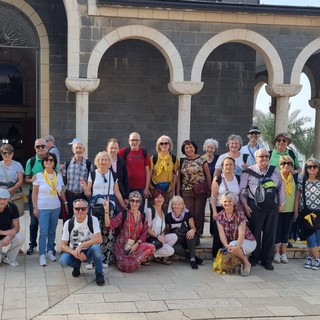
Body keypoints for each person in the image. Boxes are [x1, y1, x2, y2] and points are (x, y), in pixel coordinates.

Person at [240, 149, 285, 271]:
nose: (265, 158)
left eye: (266, 156)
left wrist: (282, 203)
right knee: (255, 233)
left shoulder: (275, 170)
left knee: (270, 233)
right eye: (262, 156)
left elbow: (281, 187)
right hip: (255, 206)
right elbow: (242, 190)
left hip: (272, 207)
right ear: (255, 158)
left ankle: (267, 260)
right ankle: (254, 257)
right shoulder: (248, 172)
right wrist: (245, 205)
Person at [82, 151, 127, 268]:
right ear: (98, 161)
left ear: (109, 162)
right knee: (93, 233)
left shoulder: (113, 175)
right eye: (101, 160)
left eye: (106, 160)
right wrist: (84, 188)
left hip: (109, 207)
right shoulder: (93, 174)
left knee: (108, 232)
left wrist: (123, 205)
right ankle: (91, 260)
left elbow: (116, 192)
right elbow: (88, 193)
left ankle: (105, 259)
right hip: (95, 207)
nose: (104, 162)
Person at [104, 191, 155, 273]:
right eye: (132, 200)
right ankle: (131, 260)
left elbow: (144, 234)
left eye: (137, 201)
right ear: (129, 201)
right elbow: (109, 225)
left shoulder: (143, 216)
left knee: (151, 247)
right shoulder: (124, 214)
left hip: (135, 245)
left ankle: (133, 259)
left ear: (140, 203)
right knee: (127, 267)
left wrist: (136, 244)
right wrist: (106, 211)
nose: (134, 203)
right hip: (121, 246)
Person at [32, 152, 68, 266]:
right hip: (43, 208)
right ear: (43, 163)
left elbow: (61, 191)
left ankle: (49, 251)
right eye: (46, 160)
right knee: (43, 231)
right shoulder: (39, 176)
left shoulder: (58, 175)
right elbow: (34, 193)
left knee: (52, 231)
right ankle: (42, 254)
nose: (49, 162)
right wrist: (35, 207)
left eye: (51, 160)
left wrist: (65, 202)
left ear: (54, 162)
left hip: (55, 207)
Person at [59, 199, 105, 286]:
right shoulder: (69, 223)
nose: (80, 211)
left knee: (96, 247)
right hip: (75, 252)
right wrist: (75, 252)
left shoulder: (93, 220)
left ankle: (99, 273)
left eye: (83, 209)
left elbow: (99, 239)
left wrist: (82, 245)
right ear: (73, 209)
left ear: (87, 209)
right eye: (77, 208)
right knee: (63, 261)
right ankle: (76, 266)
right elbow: (62, 245)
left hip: (89, 251)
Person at [216, 192, 256, 276]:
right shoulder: (219, 216)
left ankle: (246, 264)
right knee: (231, 245)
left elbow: (241, 234)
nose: (227, 203)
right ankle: (242, 262)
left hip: (248, 241)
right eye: (225, 201)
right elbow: (221, 234)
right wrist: (226, 245)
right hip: (233, 243)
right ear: (222, 203)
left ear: (234, 202)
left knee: (233, 245)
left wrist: (237, 247)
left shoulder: (240, 215)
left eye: (230, 201)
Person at [177, 140, 211, 238]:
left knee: (199, 213)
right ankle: (190, 232)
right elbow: (179, 177)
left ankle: (198, 233)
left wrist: (209, 189)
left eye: (190, 147)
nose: (189, 149)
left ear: (194, 147)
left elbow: (208, 175)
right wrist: (178, 191)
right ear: (184, 150)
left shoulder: (202, 159)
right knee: (189, 212)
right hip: (186, 191)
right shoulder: (182, 161)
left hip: (200, 191)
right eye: (186, 148)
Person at [211, 157, 240, 260]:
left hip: (234, 210)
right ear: (222, 166)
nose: (228, 166)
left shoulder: (238, 178)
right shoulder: (218, 178)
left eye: (230, 164)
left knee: (233, 233)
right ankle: (216, 256)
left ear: (234, 166)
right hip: (220, 209)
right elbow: (213, 197)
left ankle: (230, 255)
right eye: (226, 164)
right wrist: (214, 212)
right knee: (219, 234)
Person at [294, 158, 320, 270]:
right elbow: (297, 197)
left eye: (315, 166)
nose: (312, 168)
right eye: (309, 166)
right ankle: (317, 258)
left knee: (318, 237)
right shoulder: (301, 180)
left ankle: (311, 258)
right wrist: (296, 212)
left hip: (319, 213)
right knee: (310, 236)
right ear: (306, 168)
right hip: (306, 213)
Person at [165, 196, 203, 269]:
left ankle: (192, 260)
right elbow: (168, 231)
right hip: (179, 241)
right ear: (172, 205)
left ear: (182, 205)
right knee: (174, 248)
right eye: (175, 204)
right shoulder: (168, 216)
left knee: (189, 236)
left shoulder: (187, 214)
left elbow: (193, 228)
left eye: (179, 204)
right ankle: (192, 256)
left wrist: (192, 230)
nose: (177, 206)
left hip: (190, 239)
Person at [25, 138, 48, 255]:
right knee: (34, 221)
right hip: (34, 195)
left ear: (46, 147)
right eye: (38, 146)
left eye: (42, 146)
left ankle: (50, 246)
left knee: (48, 222)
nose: (40, 148)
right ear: (34, 148)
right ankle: (32, 245)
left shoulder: (51, 159)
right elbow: (26, 179)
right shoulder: (31, 161)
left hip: (48, 196)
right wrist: (31, 179)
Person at [118, 132, 151, 210]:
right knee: (128, 210)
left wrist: (146, 188)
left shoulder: (144, 153)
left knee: (140, 211)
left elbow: (148, 172)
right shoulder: (124, 152)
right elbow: (112, 156)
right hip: (127, 188)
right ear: (129, 141)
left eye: (137, 140)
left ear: (140, 141)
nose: (135, 142)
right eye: (132, 140)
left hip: (141, 188)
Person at [61, 140, 93, 220]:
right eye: (76, 148)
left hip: (83, 197)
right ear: (73, 150)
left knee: (83, 220)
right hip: (69, 196)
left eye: (80, 148)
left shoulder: (89, 165)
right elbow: (63, 181)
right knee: (67, 220)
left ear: (83, 150)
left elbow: (91, 182)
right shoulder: (67, 164)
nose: (78, 150)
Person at [274, 155, 297, 264]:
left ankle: (283, 253)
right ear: (280, 165)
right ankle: (276, 253)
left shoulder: (295, 177)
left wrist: (296, 210)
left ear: (292, 165)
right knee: (277, 231)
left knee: (286, 232)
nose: (286, 165)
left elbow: (297, 195)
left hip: (290, 209)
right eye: (283, 163)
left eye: (289, 163)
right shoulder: (276, 176)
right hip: (278, 209)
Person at [146, 189, 178, 265]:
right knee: (171, 251)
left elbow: (162, 229)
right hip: (149, 239)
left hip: (158, 239)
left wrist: (163, 235)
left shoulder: (163, 213)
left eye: (161, 197)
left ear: (164, 199)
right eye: (157, 197)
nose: (159, 199)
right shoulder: (149, 211)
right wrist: (158, 237)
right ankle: (148, 255)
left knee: (174, 236)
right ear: (153, 199)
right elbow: (146, 229)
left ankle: (158, 256)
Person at [149, 135, 179, 212]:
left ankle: (163, 224)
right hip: (154, 189)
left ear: (170, 145)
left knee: (164, 211)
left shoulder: (174, 159)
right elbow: (149, 173)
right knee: (153, 211)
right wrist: (148, 188)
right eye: (161, 143)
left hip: (167, 189)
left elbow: (175, 174)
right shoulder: (154, 158)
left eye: (166, 143)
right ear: (158, 146)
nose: (164, 145)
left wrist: (173, 190)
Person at [0, 189, 25, 267]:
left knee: (20, 237)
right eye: (0, 199)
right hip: (3, 233)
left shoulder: (12, 207)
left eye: (4, 199)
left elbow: (16, 227)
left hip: (6, 235)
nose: (2, 201)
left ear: (8, 199)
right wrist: (5, 233)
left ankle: (9, 257)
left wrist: (9, 236)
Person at [0, 144, 25, 216]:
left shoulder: (18, 165)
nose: (7, 154)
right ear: (1, 154)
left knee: (13, 215)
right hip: (0, 195)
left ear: (13, 154)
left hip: (13, 193)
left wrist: (12, 189)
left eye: (9, 153)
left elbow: (20, 181)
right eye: (4, 153)